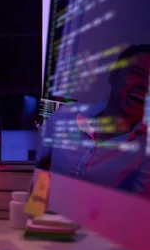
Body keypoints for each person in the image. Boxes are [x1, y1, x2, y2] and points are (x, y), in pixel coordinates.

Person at [37, 44, 150, 196]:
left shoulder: (145, 148)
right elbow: (35, 166)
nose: (145, 86)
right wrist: (37, 211)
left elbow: (137, 213)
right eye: (136, 73)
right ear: (114, 75)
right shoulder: (66, 114)